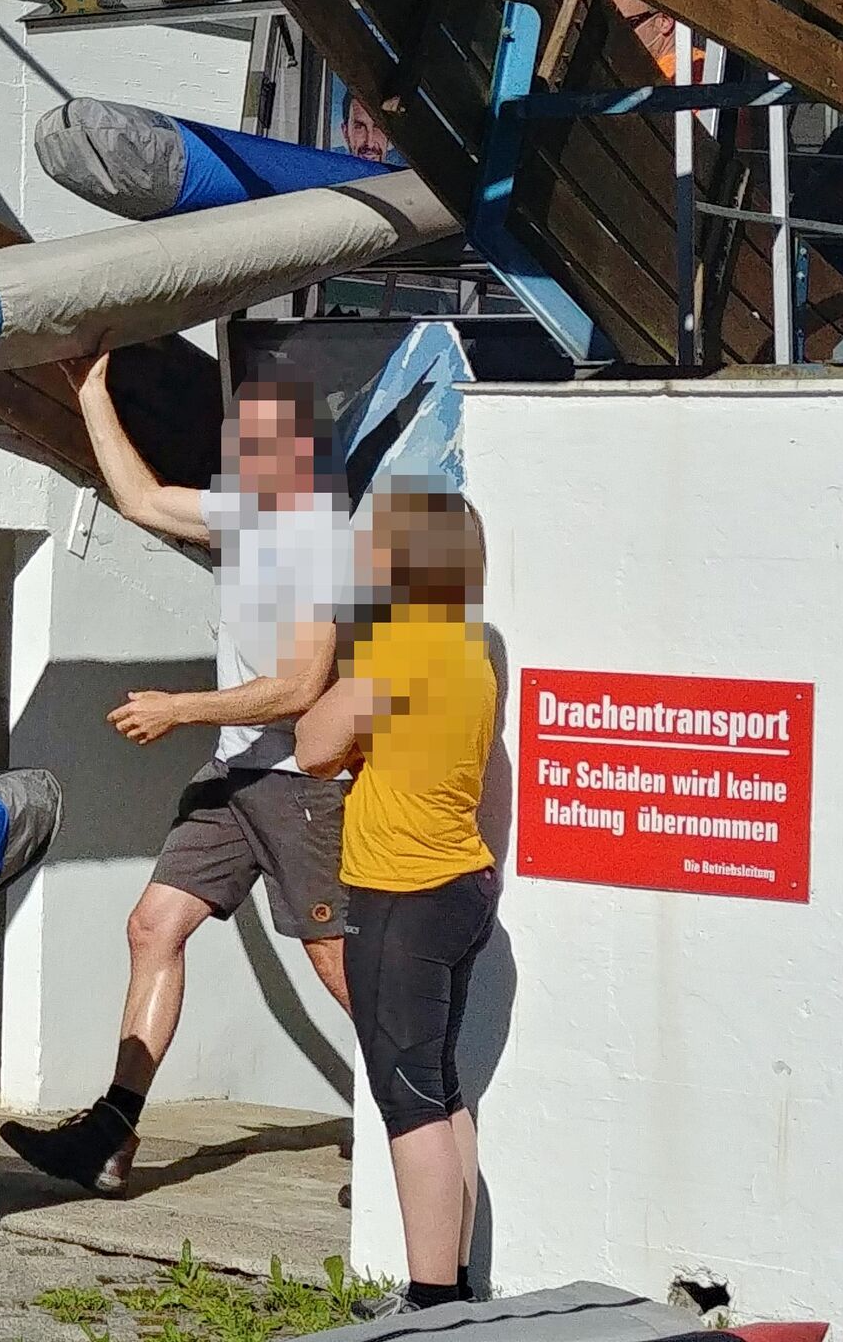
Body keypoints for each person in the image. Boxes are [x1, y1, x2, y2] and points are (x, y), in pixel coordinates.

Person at [0, 355, 354, 1197]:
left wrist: (179, 708)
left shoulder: (314, 542)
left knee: (338, 963)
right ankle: (111, 1136)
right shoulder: (245, 515)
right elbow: (142, 499)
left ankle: (414, 1121)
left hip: (299, 783)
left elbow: (302, 687)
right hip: (234, 775)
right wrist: (90, 392)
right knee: (152, 926)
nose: (242, 454)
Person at [297, 487, 498, 1314]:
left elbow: (312, 745)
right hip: (460, 888)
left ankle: (429, 1299)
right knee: (440, 1088)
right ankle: (455, 1286)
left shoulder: (401, 652)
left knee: (408, 1099)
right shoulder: (467, 650)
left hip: (403, 893)